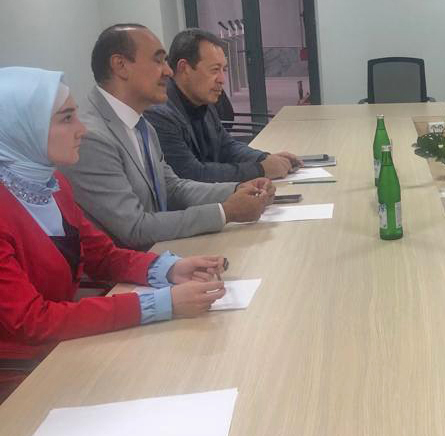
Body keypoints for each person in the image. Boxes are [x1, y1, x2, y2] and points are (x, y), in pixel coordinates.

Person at [0, 67, 228, 403]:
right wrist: (160, 303)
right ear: (21, 128)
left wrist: (169, 269)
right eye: (66, 119)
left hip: (62, 349)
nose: (81, 129)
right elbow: (33, 321)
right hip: (21, 377)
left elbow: (101, 255)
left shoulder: (53, 185)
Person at [62, 24, 274, 250]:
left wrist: (238, 189)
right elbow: (134, 228)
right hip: (133, 265)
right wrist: (225, 212)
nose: (168, 71)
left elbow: (172, 188)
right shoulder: (90, 137)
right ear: (120, 66)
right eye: (158, 61)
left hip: (165, 252)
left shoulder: (141, 124)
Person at [146, 29, 301, 182]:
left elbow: (226, 146)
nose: (222, 79)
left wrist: (264, 158)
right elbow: (191, 174)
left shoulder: (202, 100)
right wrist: (260, 169)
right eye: (215, 70)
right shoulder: (159, 114)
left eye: (223, 69)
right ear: (184, 68)